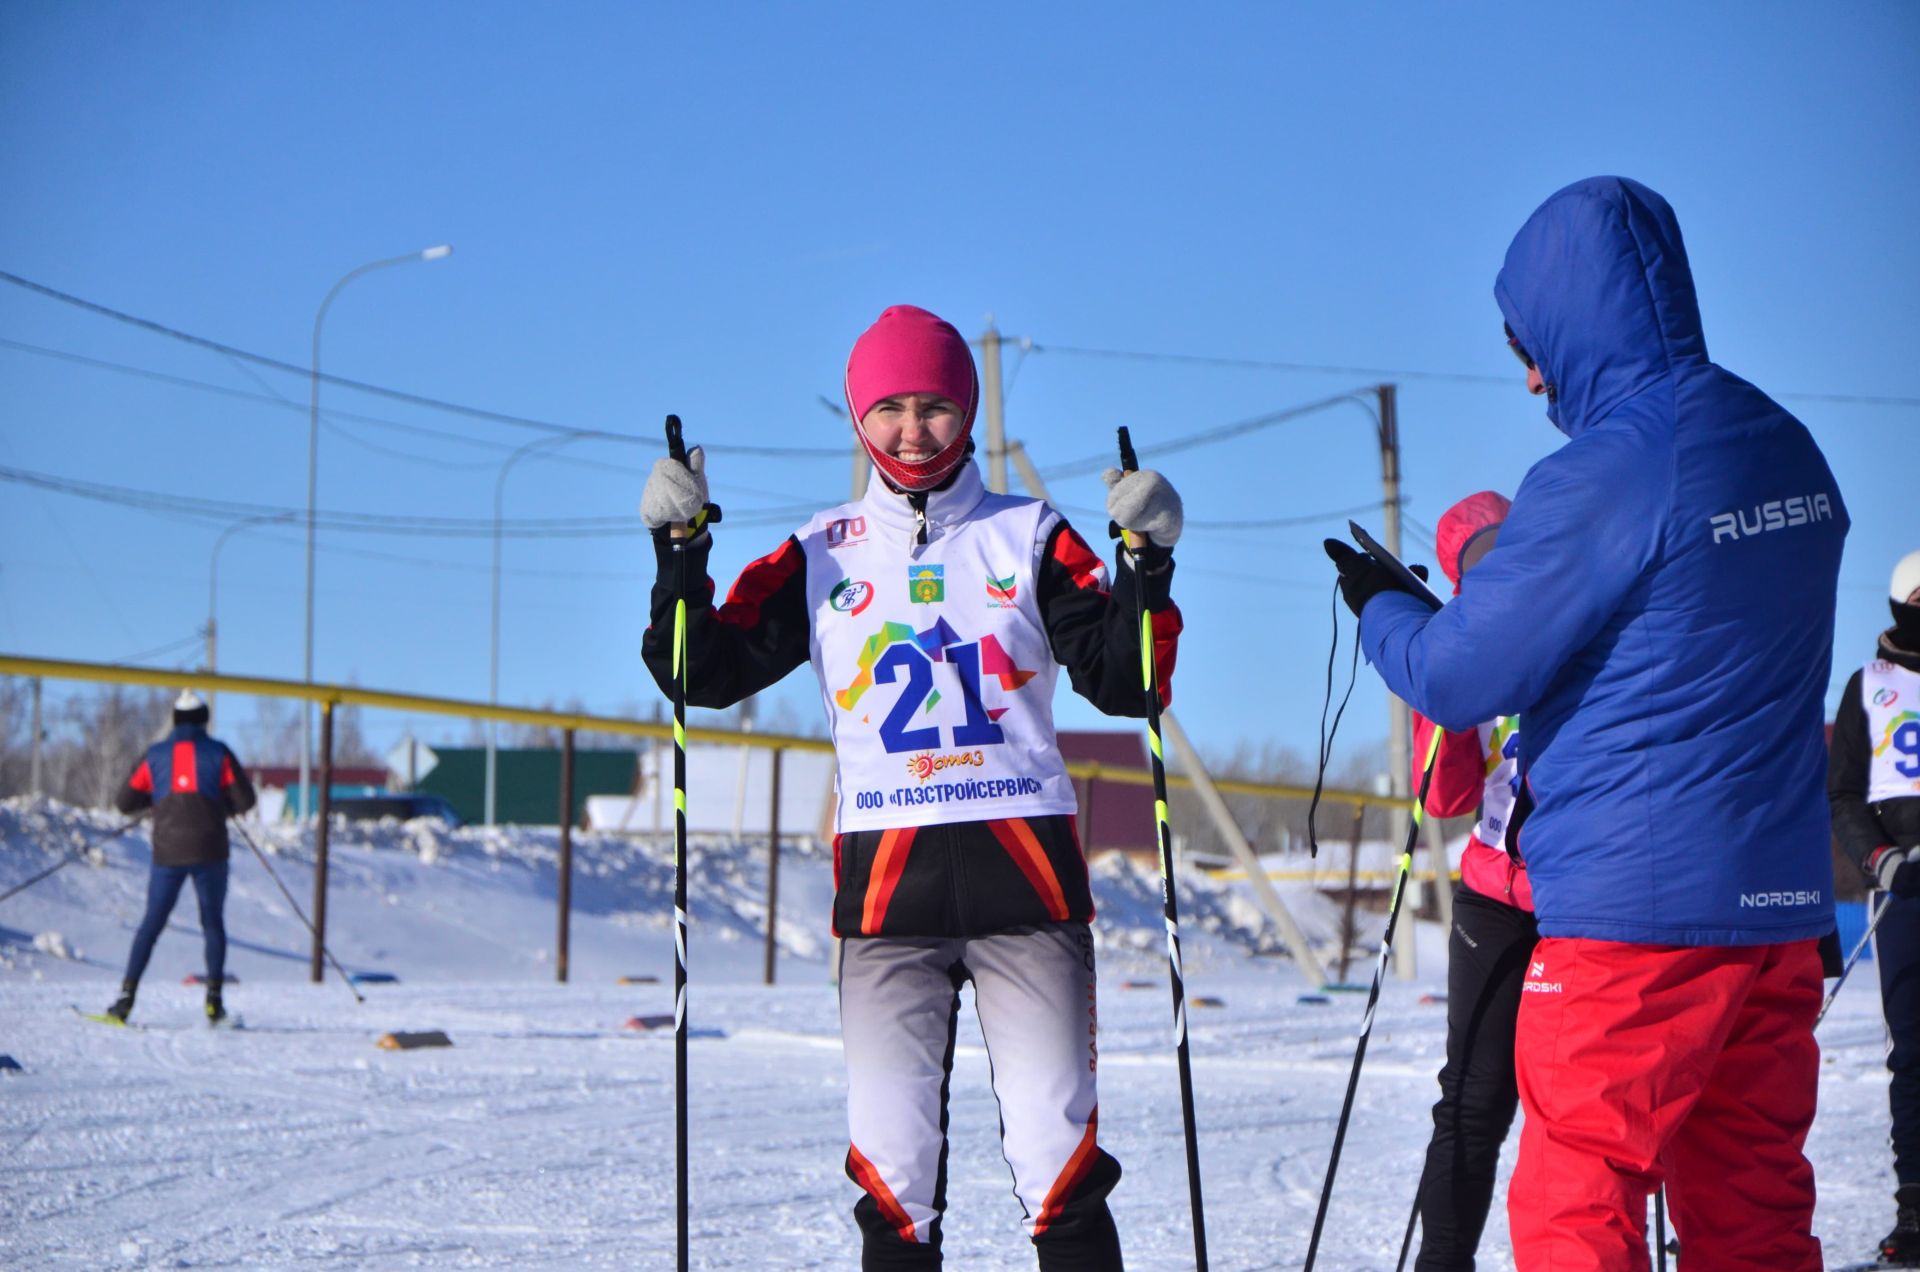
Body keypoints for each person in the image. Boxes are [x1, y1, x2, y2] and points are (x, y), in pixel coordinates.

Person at [1326, 176, 1847, 1270]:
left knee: (1578, 1203)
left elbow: (1460, 678)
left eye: (1528, 342)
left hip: (1634, 922)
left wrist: (1384, 608)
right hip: (1779, 911)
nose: (1527, 374)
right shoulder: (1788, 445)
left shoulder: (1606, 471)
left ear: (1571, 322)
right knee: (1752, 1213)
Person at [639, 304, 1182, 1271]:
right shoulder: (821, 552)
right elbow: (698, 670)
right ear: (858, 417)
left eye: (934, 406)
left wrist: (1146, 565)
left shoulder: (1030, 536)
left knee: (1059, 1166)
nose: (912, 431)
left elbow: (1127, 679)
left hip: (1030, 894)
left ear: (967, 411)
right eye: (889, 408)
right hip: (887, 900)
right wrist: (679, 555)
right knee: (893, 1180)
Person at [1404, 491, 1537, 1272]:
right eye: (1480, 563)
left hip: (1585, 895)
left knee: (1581, 1101)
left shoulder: (1577, 616)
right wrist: (1440, 693)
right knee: (1474, 1100)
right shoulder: (1470, 644)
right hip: (1494, 893)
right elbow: (1446, 795)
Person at [1831, 548, 1920, 1267]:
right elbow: (1843, 793)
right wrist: (1881, 858)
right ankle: (1916, 1212)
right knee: (1915, 1055)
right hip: (1905, 892)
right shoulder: (1869, 685)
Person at [105, 689, 257, 1025]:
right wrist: (222, 807)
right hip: (211, 850)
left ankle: (125, 1000)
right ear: (203, 720)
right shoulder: (219, 753)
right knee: (212, 923)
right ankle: (214, 1004)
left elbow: (125, 802)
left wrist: (157, 799)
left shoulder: (155, 754)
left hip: (168, 853)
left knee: (151, 925)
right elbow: (246, 800)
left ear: (175, 720)